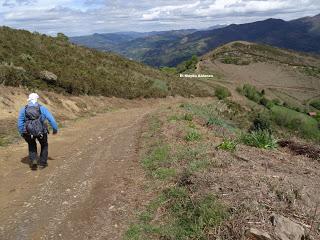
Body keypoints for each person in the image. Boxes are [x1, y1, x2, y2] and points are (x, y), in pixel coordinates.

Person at [17, 93, 58, 169]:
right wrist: (55, 129)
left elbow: (20, 122)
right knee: (44, 145)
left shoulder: (24, 109)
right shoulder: (42, 108)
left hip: (28, 131)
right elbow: (51, 119)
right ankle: (42, 163)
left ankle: (33, 161)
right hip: (41, 131)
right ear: (37, 99)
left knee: (31, 144)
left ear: (29, 100)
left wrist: (22, 132)